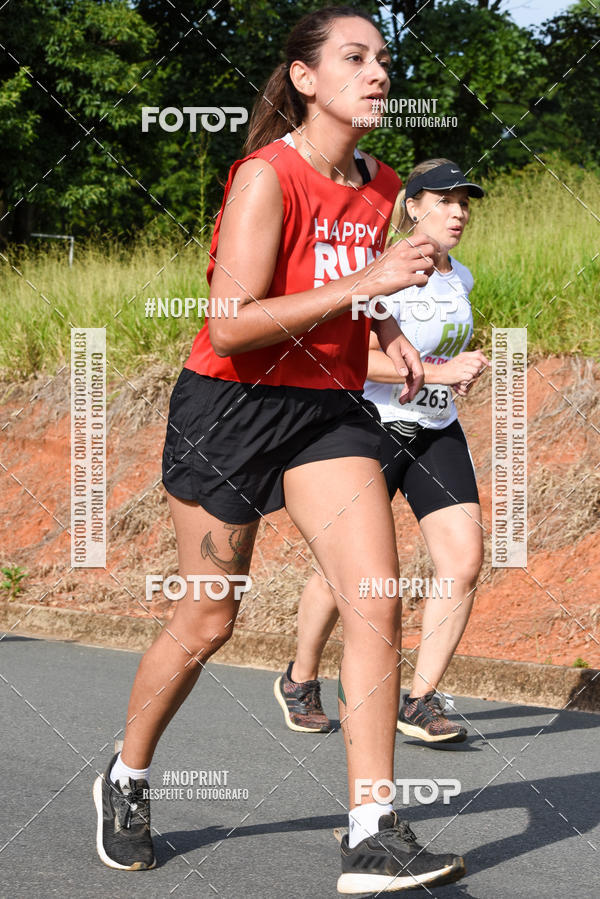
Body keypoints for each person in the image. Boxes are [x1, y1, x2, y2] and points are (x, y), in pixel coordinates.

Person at [93, 8, 466, 893]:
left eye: (383, 58)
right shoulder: (267, 177)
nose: (378, 72)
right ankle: (128, 774)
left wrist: (385, 327)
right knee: (208, 618)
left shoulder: (379, 184)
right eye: (355, 58)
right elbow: (231, 324)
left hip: (325, 414)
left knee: (374, 600)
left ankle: (371, 830)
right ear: (305, 79)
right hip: (231, 408)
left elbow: (343, 288)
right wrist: (367, 282)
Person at [275, 157, 489, 745]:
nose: (458, 212)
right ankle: (299, 678)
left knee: (464, 559)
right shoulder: (380, 270)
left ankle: (417, 701)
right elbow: (344, 358)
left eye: (464, 202)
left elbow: (438, 361)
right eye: (444, 200)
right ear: (413, 205)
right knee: (343, 569)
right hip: (370, 425)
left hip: (435, 429)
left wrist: (454, 376)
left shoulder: (459, 275)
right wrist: (441, 371)